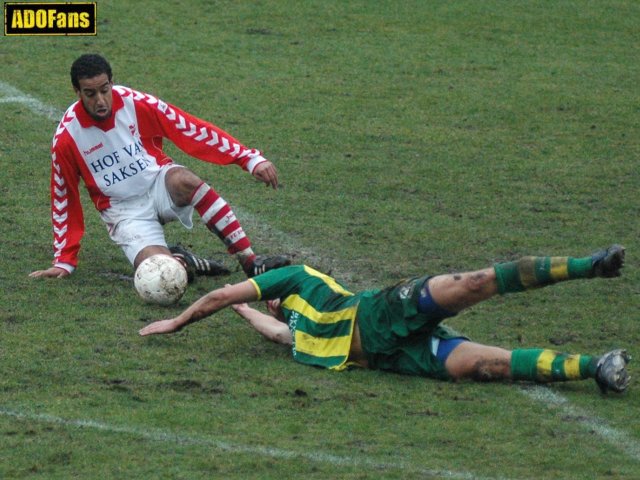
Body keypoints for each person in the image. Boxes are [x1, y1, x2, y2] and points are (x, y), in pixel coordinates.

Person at [139, 244, 631, 394]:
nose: (264, 302)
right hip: (394, 357)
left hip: (379, 313)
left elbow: (225, 291)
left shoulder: (295, 278)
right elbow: (273, 332)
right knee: (489, 368)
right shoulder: (299, 333)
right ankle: (597, 368)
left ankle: (593, 266)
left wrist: (177, 323)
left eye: (261, 295)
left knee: (473, 283)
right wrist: (244, 312)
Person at [30, 53, 290, 286]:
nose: (101, 100)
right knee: (161, 276)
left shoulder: (135, 103)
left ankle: (250, 262)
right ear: (77, 92)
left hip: (158, 183)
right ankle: (182, 260)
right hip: (125, 213)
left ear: (111, 82)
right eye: (90, 93)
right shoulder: (67, 137)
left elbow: (189, 128)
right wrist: (64, 259)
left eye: (104, 89)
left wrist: (248, 158)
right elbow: (64, 196)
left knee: (185, 180)